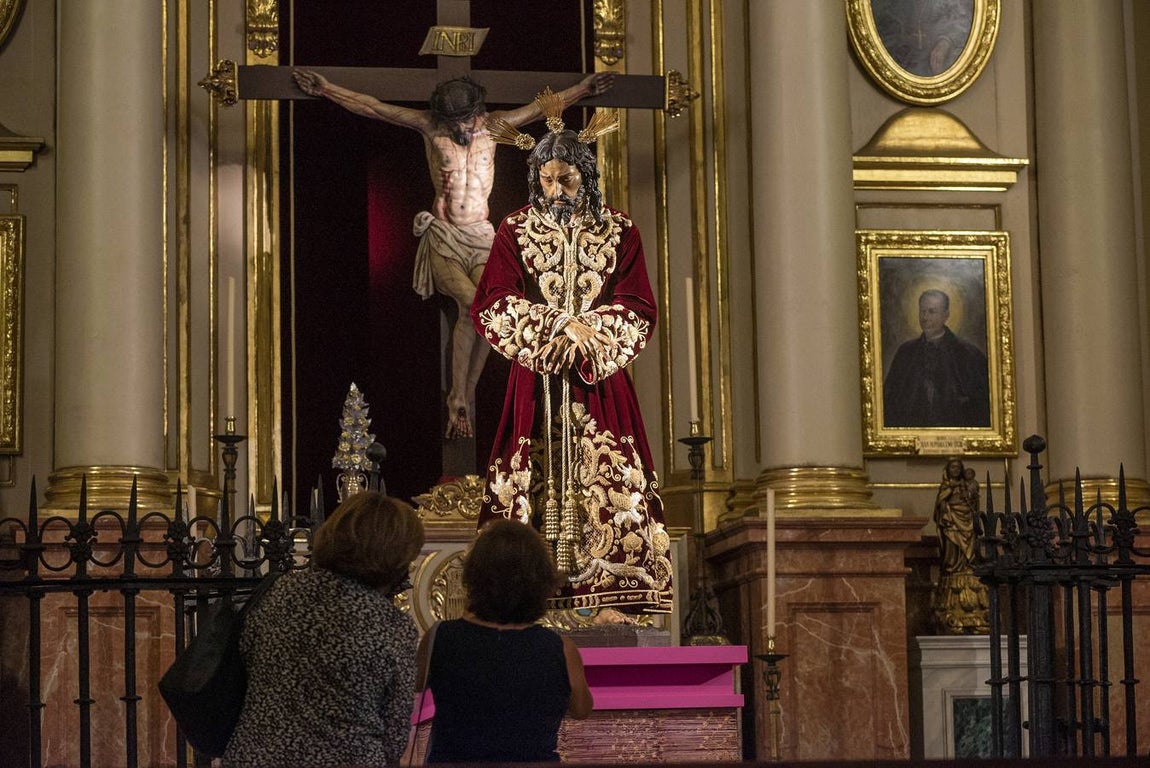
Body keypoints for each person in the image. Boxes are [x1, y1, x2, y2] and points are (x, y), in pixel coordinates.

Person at [292, 68, 615, 441]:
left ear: (476, 112)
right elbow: (375, 108)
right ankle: (457, 396)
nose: (458, 127)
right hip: (445, 237)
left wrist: (584, 88)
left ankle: (464, 393)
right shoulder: (432, 127)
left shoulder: (494, 125)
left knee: (489, 311)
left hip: (479, 236)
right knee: (470, 304)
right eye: (452, 121)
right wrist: (327, 88)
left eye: (462, 119)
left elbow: (541, 109)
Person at [472, 103, 673, 614]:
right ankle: (523, 597)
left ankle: (616, 591)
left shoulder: (619, 231)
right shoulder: (514, 231)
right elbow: (492, 300)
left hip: (596, 384)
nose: (555, 191)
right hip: (534, 382)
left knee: (611, 479)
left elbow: (638, 304)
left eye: (566, 180)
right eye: (546, 180)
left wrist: (590, 333)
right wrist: (556, 326)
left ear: (587, 175)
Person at [223, 492, 425, 768]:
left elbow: (244, 663)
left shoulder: (279, 592)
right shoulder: (391, 624)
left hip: (256, 756)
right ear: (394, 558)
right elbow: (395, 733)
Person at [417, 518, 594, 763]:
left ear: (474, 577)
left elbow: (414, 686)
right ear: (539, 582)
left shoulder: (440, 637)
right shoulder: (560, 649)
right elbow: (582, 709)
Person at [883, 288, 991, 428]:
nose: (925, 318)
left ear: (946, 315)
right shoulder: (905, 353)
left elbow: (981, 406)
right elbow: (890, 401)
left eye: (932, 312)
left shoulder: (969, 354)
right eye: (922, 311)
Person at [931, 457, 989, 634]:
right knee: (952, 553)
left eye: (958, 467)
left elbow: (974, 504)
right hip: (951, 523)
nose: (955, 470)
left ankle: (968, 568)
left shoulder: (967, 485)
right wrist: (946, 507)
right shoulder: (945, 486)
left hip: (967, 522)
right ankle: (954, 569)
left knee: (970, 553)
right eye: (952, 467)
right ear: (947, 470)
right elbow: (939, 507)